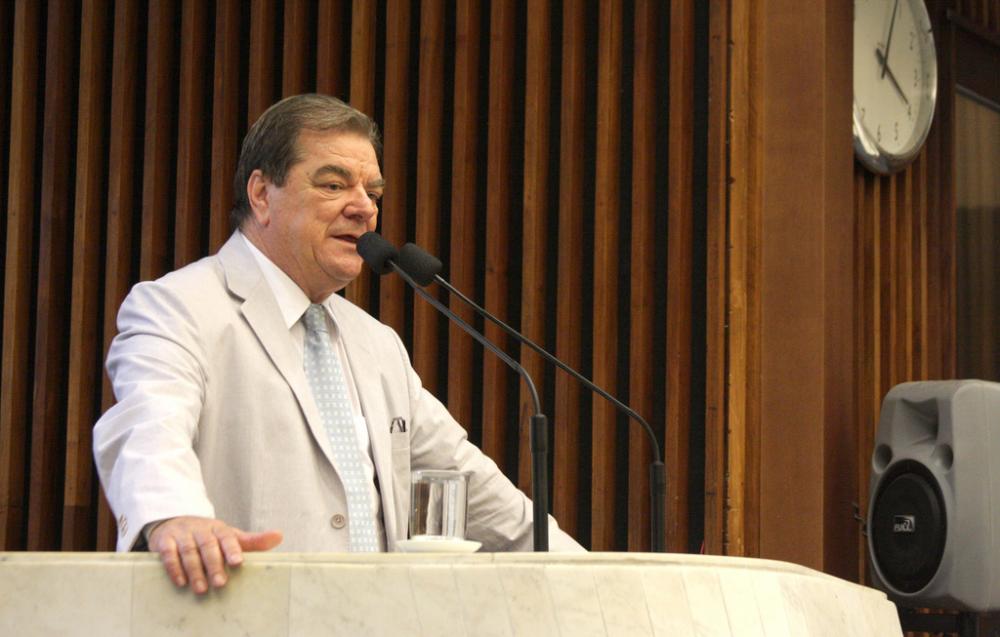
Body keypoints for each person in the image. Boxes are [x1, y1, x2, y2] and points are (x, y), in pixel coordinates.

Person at [93, 94, 582, 595]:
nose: (365, 208)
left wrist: (588, 576)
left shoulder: (376, 344)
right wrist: (174, 515)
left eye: (373, 192)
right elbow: (148, 426)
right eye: (333, 185)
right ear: (261, 194)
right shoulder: (179, 307)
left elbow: (474, 486)